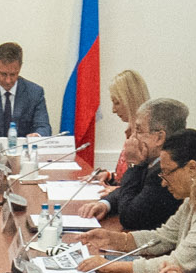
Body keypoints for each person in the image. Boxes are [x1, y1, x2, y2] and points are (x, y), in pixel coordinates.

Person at [81, 130, 196, 273]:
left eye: (167, 172)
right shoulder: (192, 199)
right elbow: (163, 237)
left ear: (192, 168)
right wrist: (115, 239)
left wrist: (109, 266)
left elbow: (175, 264)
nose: (163, 182)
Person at [70, 97, 188, 232]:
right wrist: (105, 204)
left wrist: (133, 165)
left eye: (139, 130)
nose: (133, 137)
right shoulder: (153, 161)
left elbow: (130, 218)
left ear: (159, 138)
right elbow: (130, 191)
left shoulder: (165, 172)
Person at [0, 41, 52, 141]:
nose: (8, 80)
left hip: (23, 149)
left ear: (20, 67)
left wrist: (37, 136)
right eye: (3, 74)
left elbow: (44, 127)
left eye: (13, 74)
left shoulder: (35, 92)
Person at [104, 68, 149, 176]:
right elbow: (124, 176)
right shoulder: (131, 133)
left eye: (117, 103)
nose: (113, 110)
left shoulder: (147, 138)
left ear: (130, 100)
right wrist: (111, 177)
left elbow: (141, 183)